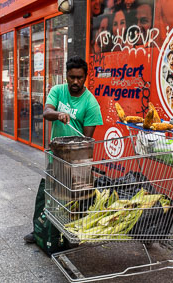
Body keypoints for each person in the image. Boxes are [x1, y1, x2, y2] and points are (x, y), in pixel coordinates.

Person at [23, 55, 103, 244]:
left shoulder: (90, 103)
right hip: (56, 157)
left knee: (71, 199)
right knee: (49, 195)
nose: (75, 81)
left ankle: (66, 235)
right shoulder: (58, 91)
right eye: (72, 77)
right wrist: (58, 114)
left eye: (80, 78)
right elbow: (46, 112)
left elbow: (86, 141)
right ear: (66, 76)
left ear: (86, 77)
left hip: (77, 162)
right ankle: (41, 231)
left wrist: (77, 168)